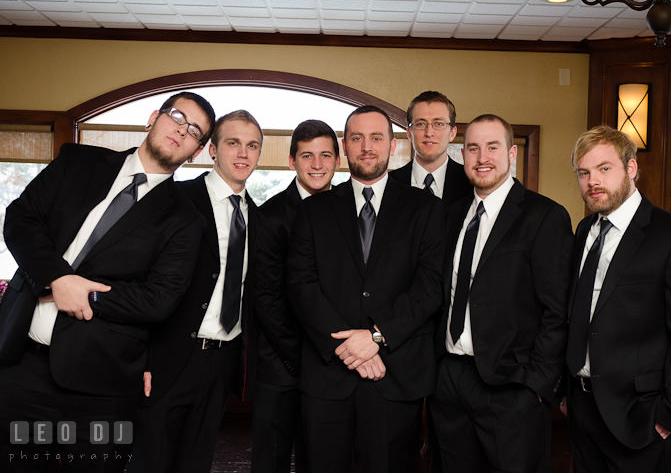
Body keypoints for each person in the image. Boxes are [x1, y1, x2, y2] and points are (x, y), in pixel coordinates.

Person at [0, 91, 213, 472]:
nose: (182, 130)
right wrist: (57, 278)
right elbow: (20, 219)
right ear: (153, 117)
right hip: (21, 367)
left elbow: (159, 298)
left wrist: (84, 295)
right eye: (177, 116)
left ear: (196, 151)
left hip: (104, 386)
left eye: (195, 131)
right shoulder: (78, 160)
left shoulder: (186, 219)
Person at [287, 106, 445, 473]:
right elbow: (301, 285)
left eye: (377, 138)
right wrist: (349, 345)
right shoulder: (313, 211)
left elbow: (431, 285)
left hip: (395, 376)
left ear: (393, 146)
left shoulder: (426, 209)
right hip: (328, 377)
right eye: (357, 138)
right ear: (345, 146)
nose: (367, 146)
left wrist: (376, 335)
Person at [565, 125, 671, 473]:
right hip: (582, 410)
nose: (593, 182)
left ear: (631, 169)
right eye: (584, 173)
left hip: (641, 417)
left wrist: (669, 415)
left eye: (604, 169)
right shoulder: (584, 231)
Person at [432, 114, 573, 472]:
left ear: (511, 153)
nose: (482, 158)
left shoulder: (545, 216)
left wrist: (536, 387)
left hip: (513, 387)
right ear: (461, 154)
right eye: (473, 148)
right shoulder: (451, 216)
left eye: (492, 147)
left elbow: (557, 310)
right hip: (450, 380)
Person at [127, 110, 263, 472]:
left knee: (196, 463)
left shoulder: (261, 219)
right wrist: (141, 359)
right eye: (233, 143)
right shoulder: (174, 198)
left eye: (252, 146)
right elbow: (138, 279)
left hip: (223, 361)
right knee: (149, 461)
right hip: (167, 357)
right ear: (211, 150)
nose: (243, 154)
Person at [252, 119, 341, 473]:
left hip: (333, 364)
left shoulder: (350, 209)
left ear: (338, 160)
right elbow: (267, 298)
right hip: (281, 362)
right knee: (270, 459)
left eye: (325, 155)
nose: (316, 164)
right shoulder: (269, 216)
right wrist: (300, 357)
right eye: (307, 156)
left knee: (322, 458)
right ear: (291, 161)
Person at [389, 90, 472, 206]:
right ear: (409, 133)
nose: (429, 133)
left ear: (452, 133)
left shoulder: (471, 183)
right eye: (421, 124)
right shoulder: (388, 183)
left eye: (438, 124)